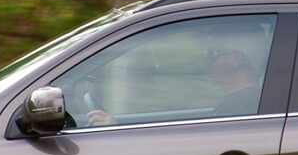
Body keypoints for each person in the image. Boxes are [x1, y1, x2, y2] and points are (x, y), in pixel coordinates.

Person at [85, 43, 261, 126]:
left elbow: (195, 150)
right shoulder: (244, 103)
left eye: (212, 54)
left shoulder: (238, 108)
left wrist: (116, 129)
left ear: (236, 59)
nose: (206, 62)